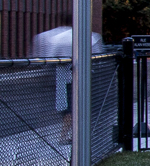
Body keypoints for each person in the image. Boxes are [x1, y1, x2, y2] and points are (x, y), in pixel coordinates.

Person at [31, 14, 103, 145]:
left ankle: (67, 135)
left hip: (63, 77)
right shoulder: (89, 37)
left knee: (69, 107)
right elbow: (97, 55)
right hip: (83, 77)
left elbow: (48, 56)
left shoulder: (56, 38)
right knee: (76, 106)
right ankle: (69, 135)